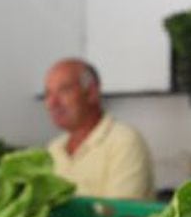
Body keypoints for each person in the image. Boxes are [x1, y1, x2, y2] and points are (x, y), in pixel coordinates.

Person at [43, 58, 154, 199]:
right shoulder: (54, 148)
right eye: (48, 94)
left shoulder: (124, 141)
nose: (52, 103)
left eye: (64, 90)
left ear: (91, 93)